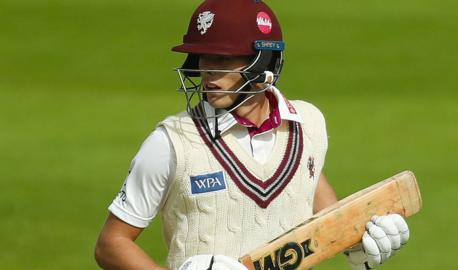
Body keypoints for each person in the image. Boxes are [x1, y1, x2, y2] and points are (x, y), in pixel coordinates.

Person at [94, 0, 410, 269]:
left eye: (223, 60)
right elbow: (110, 244)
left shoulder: (307, 124)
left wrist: (359, 241)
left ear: (264, 64)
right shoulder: (172, 142)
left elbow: (322, 209)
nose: (208, 72)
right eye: (203, 58)